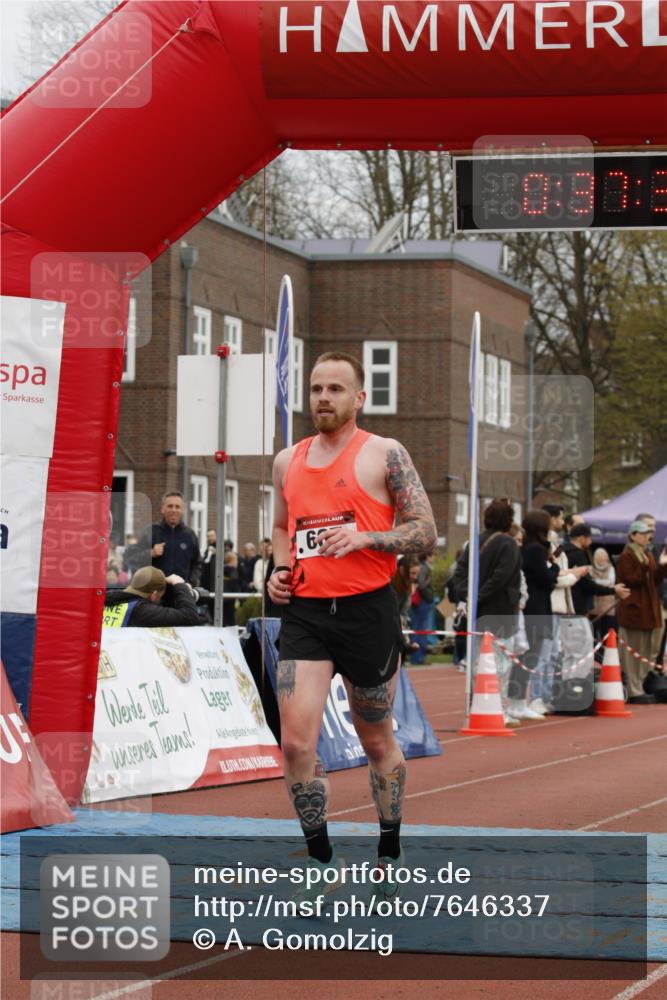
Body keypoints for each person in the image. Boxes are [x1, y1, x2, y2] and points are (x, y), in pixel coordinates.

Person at [267, 350, 436, 902]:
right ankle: (321, 859)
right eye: (316, 388)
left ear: (359, 398)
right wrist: (280, 570)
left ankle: (389, 847)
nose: (323, 398)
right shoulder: (286, 461)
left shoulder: (385, 453)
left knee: (376, 738)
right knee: (296, 743)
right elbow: (281, 528)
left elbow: (425, 531)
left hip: (368, 613)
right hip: (306, 615)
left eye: (336, 389)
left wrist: (366, 538)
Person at [507, 510, 559, 721]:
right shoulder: (535, 550)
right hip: (535, 609)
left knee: (528, 658)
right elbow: (546, 579)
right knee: (528, 657)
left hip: (534, 608)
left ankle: (518, 702)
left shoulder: (531, 548)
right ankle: (516, 702)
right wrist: (555, 567)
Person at [616, 520, 667, 704]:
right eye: (643, 534)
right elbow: (632, 580)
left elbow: (654, 580)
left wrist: (663, 566)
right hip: (634, 612)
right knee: (633, 651)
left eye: (648, 533)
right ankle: (633, 688)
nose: (647, 537)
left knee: (646, 651)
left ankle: (639, 684)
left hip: (648, 610)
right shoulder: (627, 556)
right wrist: (645, 565)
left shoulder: (647, 554)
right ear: (633, 536)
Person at [137, 491, 202, 586]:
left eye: (177, 507)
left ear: (183, 510)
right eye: (170, 506)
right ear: (162, 509)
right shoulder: (151, 532)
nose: (174, 510)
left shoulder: (190, 535)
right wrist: (150, 553)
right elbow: (133, 559)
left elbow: (197, 564)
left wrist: (191, 582)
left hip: (182, 590)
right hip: (155, 590)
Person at [564, 523, 629, 616]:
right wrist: (613, 590)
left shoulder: (562, 551)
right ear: (582, 538)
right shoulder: (578, 555)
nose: (591, 541)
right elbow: (586, 584)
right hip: (575, 606)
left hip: (565, 604)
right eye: (589, 538)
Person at [102, 566, 201, 627]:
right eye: (160, 596)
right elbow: (190, 617)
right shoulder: (141, 610)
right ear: (154, 595)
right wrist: (180, 585)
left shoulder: (104, 598)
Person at [591, 548, 618, 647]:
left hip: (608, 606)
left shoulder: (611, 568)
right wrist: (601, 583)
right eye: (598, 557)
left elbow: (611, 582)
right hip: (594, 607)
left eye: (603, 557)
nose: (601, 559)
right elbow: (591, 583)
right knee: (593, 632)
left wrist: (596, 582)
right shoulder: (590, 569)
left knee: (606, 631)